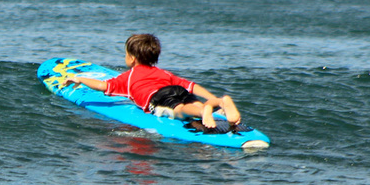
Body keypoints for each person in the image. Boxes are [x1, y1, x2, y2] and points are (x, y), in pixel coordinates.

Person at [64, 33, 241, 130]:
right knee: (193, 102)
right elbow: (191, 86)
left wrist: (79, 78)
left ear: (132, 58)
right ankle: (217, 102)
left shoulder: (129, 76)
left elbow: (104, 85)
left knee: (179, 110)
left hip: (157, 97)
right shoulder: (163, 72)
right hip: (174, 88)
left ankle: (205, 112)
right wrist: (211, 97)